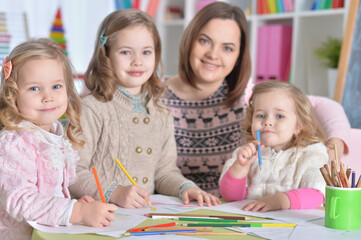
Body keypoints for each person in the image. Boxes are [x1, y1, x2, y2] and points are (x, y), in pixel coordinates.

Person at [159, 2, 350, 197]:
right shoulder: (156, 97)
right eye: (205, 41)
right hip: (174, 202)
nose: (213, 55)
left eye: (227, 48)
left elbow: (326, 106)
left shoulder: (248, 97)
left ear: (239, 56)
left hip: (229, 207)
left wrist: (335, 147)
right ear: (189, 40)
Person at [69, 9, 220, 208]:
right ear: (105, 54)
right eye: (125, 52)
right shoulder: (92, 109)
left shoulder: (162, 114)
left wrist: (185, 187)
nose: (137, 61)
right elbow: (72, 172)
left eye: (146, 52)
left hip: (143, 219)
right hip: (101, 218)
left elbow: (165, 172)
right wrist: (113, 192)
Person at [0, 38, 117, 240]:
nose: (48, 97)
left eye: (56, 86)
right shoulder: (14, 143)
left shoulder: (54, 134)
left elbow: (54, 189)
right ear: (13, 95)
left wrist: (76, 204)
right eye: (34, 88)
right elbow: (19, 200)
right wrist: (76, 212)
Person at [219, 81, 328, 212]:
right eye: (260, 115)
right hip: (252, 224)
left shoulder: (312, 154)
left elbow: (317, 194)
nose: (267, 122)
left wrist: (279, 201)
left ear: (299, 125)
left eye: (280, 116)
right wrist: (240, 167)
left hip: (293, 227)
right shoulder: (245, 154)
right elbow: (230, 197)